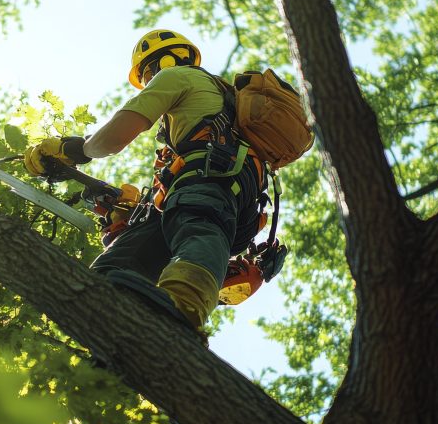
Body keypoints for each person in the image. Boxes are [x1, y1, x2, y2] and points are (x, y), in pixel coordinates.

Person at [24, 29, 269, 330]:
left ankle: (183, 309)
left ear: (164, 62)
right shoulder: (209, 105)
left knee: (196, 225)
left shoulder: (178, 76)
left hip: (211, 182)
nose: (150, 80)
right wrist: (128, 212)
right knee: (130, 252)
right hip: (222, 195)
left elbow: (114, 138)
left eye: (149, 73)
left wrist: (74, 149)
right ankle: (103, 307)